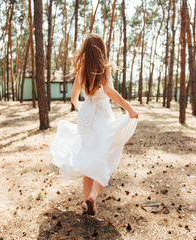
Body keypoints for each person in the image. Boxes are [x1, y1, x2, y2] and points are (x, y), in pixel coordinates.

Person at [50, 33, 139, 216]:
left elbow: (74, 98)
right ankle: (92, 196)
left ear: (85, 51)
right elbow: (109, 91)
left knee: (89, 158)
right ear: (101, 50)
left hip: (86, 116)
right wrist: (129, 109)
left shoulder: (81, 70)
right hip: (102, 115)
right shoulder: (104, 68)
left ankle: (85, 202)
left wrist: (82, 107)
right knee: (104, 156)